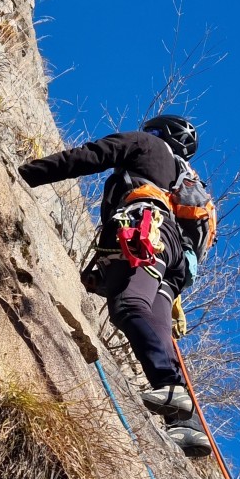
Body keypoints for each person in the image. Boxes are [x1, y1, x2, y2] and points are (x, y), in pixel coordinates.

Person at [18, 114, 213, 455]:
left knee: (128, 306)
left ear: (157, 132)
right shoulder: (188, 180)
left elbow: (88, 156)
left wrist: (24, 175)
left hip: (146, 227)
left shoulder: (146, 145)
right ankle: (188, 426)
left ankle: (171, 388)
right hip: (175, 261)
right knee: (156, 325)